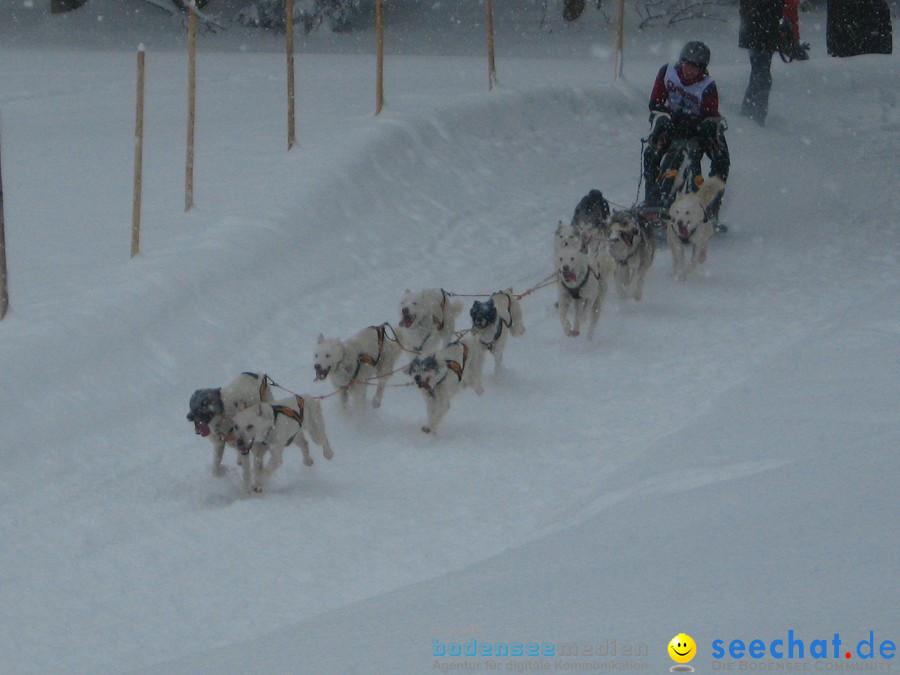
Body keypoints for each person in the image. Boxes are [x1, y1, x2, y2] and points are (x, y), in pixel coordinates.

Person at [642, 40, 730, 215]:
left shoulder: (707, 86)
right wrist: (663, 116)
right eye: (687, 65)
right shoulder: (667, 73)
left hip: (698, 128)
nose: (689, 70)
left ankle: (711, 208)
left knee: (722, 159)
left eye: (695, 67)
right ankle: (651, 200)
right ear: (681, 62)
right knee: (651, 153)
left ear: (703, 69)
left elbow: (710, 114)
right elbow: (656, 102)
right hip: (671, 123)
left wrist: (706, 126)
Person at [739, 0, 784, 125]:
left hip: (760, 33)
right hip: (761, 33)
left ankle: (750, 113)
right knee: (761, 75)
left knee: (759, 73)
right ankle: (755, 116)